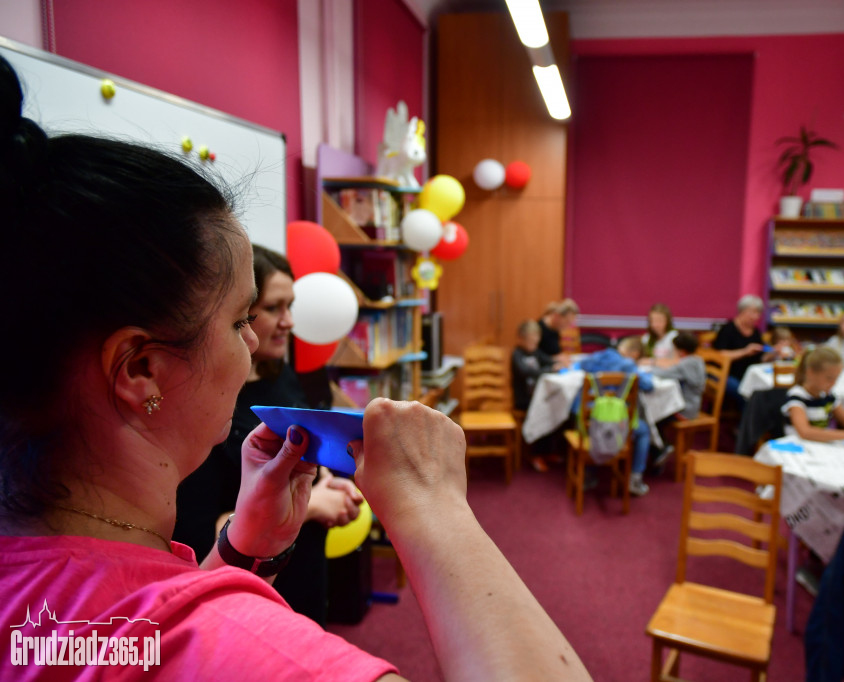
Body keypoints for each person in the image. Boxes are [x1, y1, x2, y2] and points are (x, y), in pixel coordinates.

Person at [0, 56, 590, 681]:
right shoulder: (257, 655)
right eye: (237, 321)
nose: (254, 343)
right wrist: (436, 509)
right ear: (141, 369)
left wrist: (241, 551)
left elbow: (131, 641)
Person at [173, 245, 363, 626]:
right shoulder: (210, 407)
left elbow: (300, 453)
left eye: (291, 306)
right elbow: (195, 539)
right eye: (274, 308)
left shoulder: (283, 376)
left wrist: (325, 483)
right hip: (244, 599)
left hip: (302, 571)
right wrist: (311, 506)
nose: (289, 321)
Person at [578, 337, 654, 496]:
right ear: (634, 354)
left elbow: (580, 365)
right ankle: (635, 478)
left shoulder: (599, 355)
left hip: (590, 421)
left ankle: (589, 473)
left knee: (592, 427)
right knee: (644, 430)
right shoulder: (628, 365)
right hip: (617, 423)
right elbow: (648, 385)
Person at [510, 320, 560, 472]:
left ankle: (547, 452)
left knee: (554, 408)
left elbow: (550, 361)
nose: (534, 344)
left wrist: (554, 364)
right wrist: (548, 369)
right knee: (543, 411)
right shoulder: (516, 355)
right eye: (531, 341)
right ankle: (535, 454)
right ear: (521, 339)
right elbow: (525, 371)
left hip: (537, 397)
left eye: (536, 340)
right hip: (523, 399)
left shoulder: (536, 352)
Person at [712, 295, 768, 413]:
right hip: (727, 374)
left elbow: (761, 357)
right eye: (752, 312)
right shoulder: (728, 329)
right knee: (745, 392)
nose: (756, 316)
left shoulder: (755, 332)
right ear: (742, 311)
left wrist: (774, 352)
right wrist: (745, 351)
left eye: (758, 313)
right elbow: (720, 355)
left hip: (748, 375)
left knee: (764, 391)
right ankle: (745, 427)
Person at [647, 332, 705, 421]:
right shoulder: (697, 360)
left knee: (653, 413)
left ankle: (659, 434)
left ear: (681, 352)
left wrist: (649, 367)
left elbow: (663, 373)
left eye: (674, 349)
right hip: (694, 405)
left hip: (685, 410)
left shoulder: (685, 364)